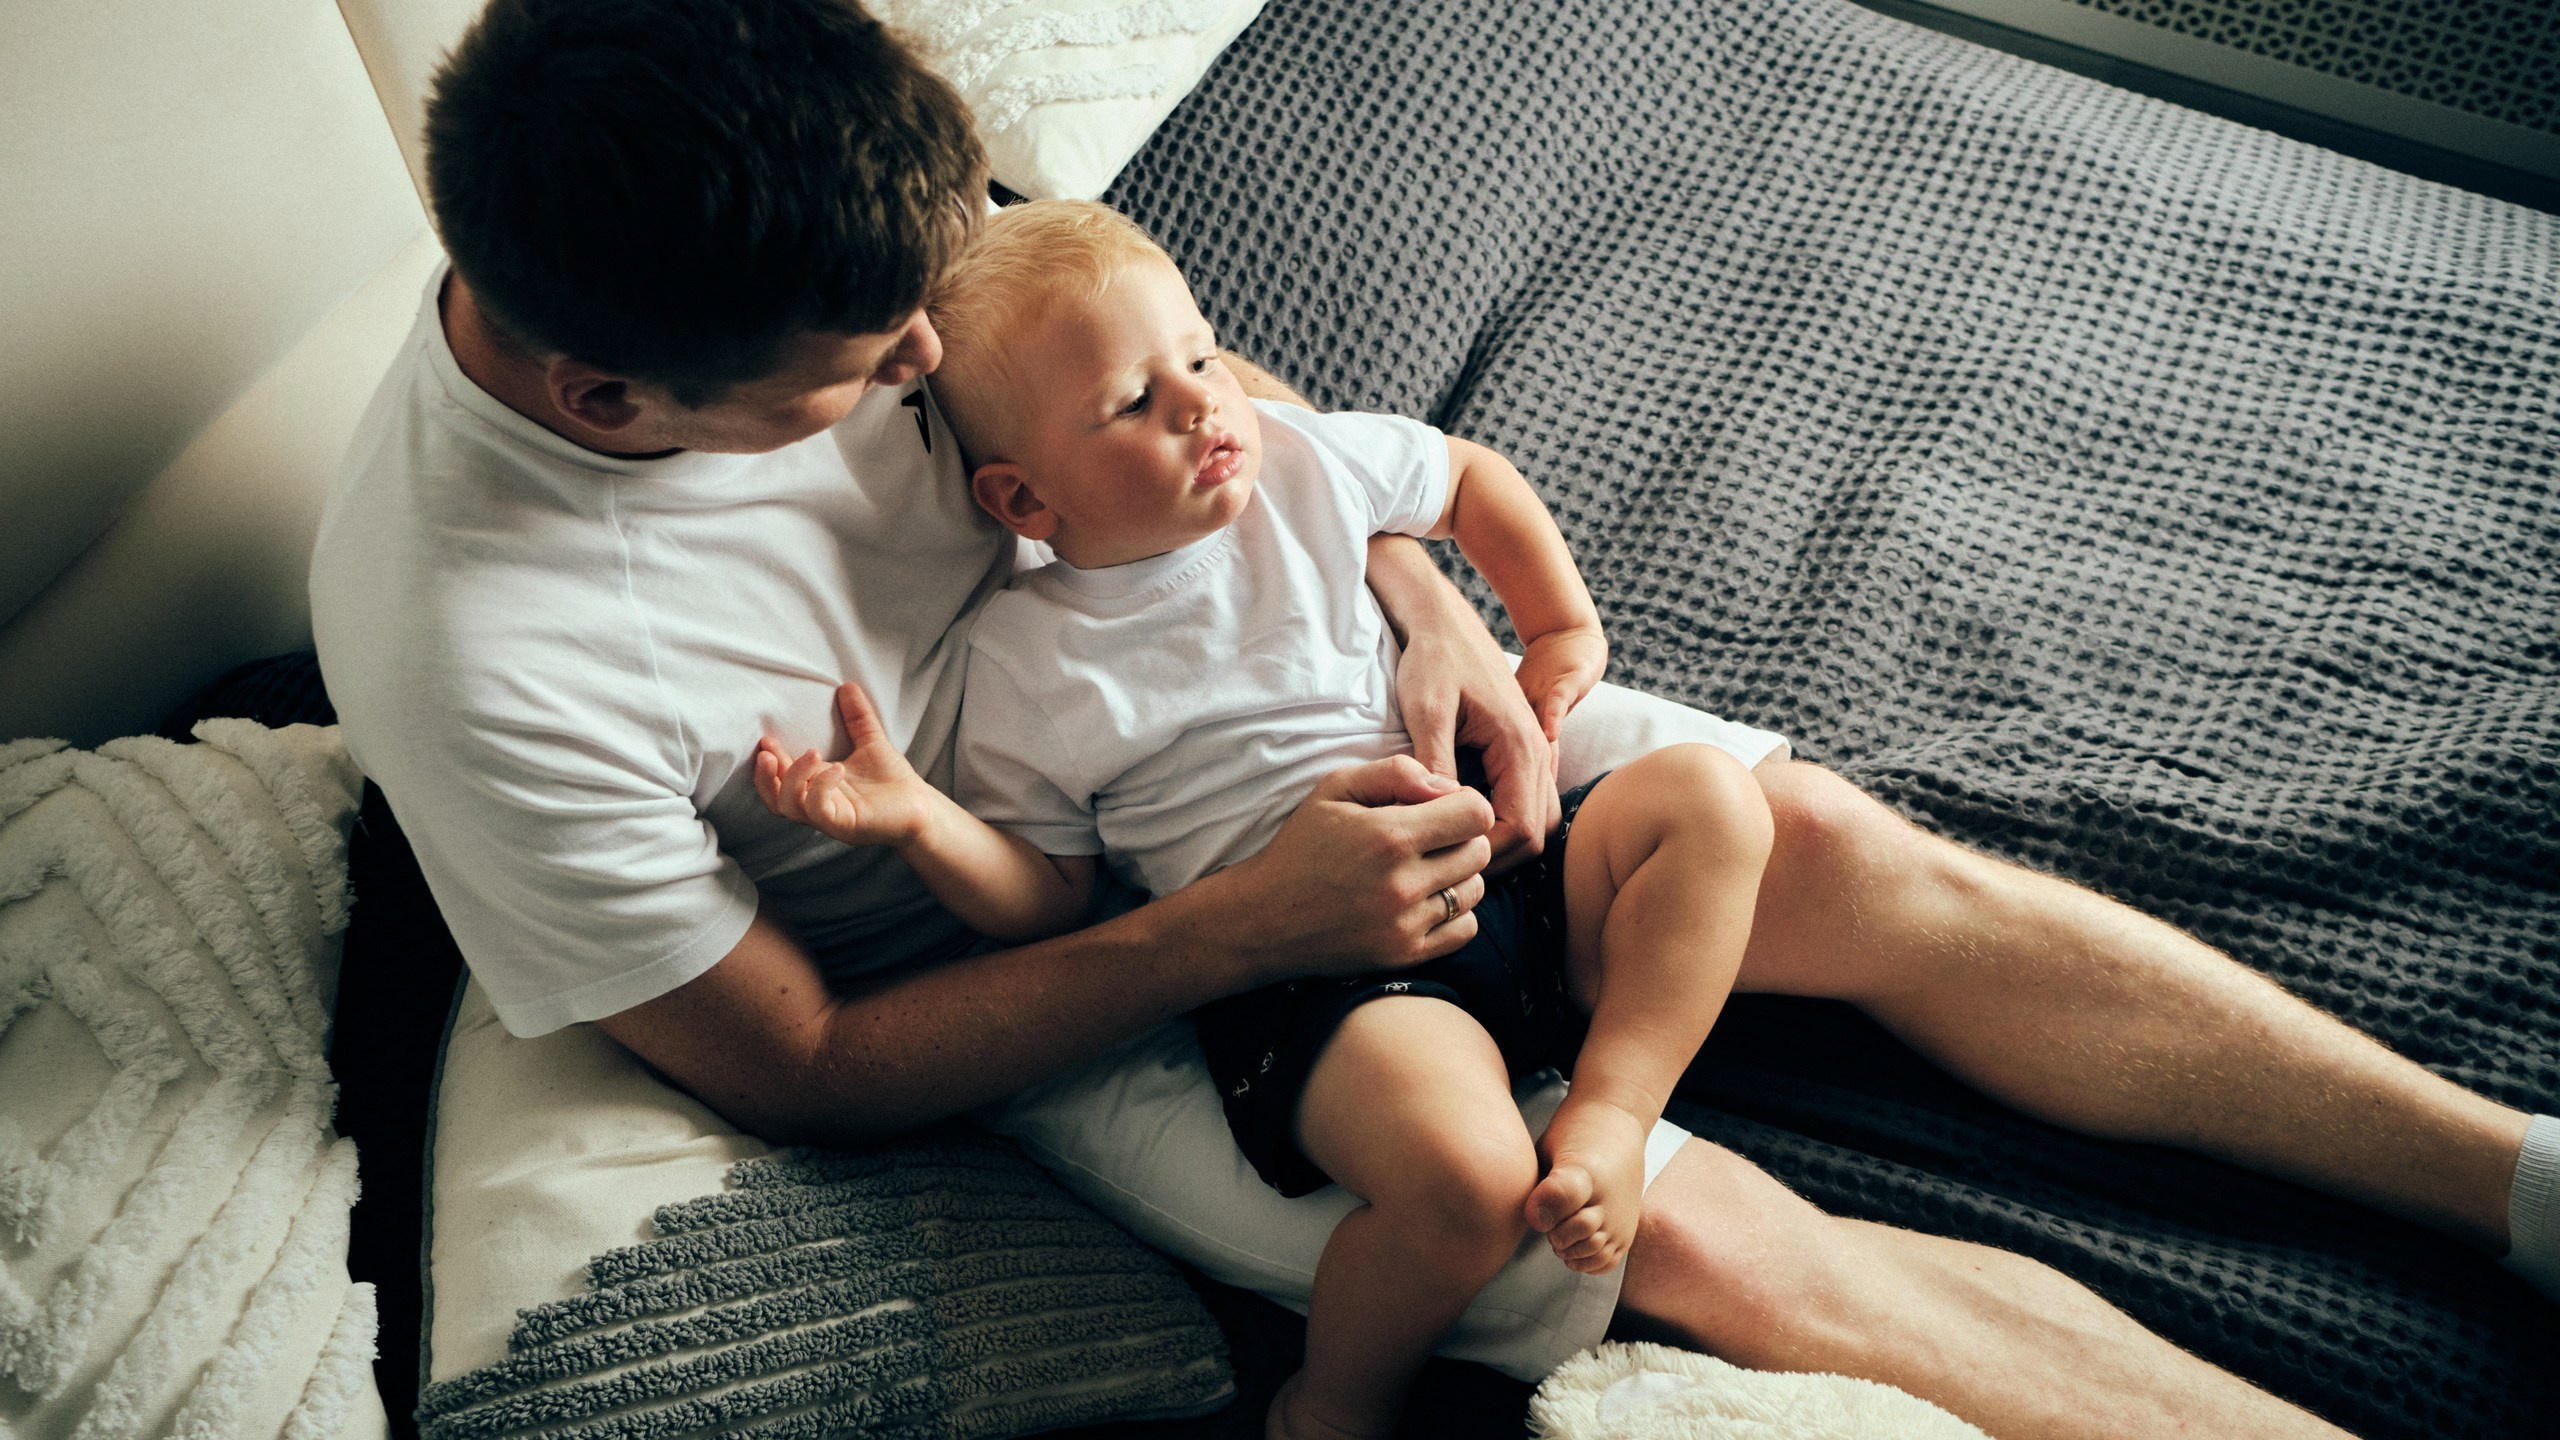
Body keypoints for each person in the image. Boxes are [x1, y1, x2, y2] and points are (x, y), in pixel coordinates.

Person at [306, 2, 2558, 1437]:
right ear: (610, 400)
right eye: (871, 372)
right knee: (1627, 1219)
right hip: (1072, 962)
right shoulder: (491, 659)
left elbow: (1181, 389)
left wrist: (1417, 598)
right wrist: (1233, 932)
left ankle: (2509, 1182)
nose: (922, 358)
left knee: (1828, 849)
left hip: (1281, 671)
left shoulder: (790, 173)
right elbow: (799, 1062)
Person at [751, 198, 1775, 1440]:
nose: (1201, 402)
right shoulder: (1026, 663)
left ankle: (1611, 1108)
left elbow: (1464, 477)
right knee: (1468, 1185)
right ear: (1023, 500)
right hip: (1332, 978)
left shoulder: (1299, 462)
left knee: (1711, 802)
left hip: (1507, 857)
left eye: (1198, 355)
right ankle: (1332, 1402)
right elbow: (1047, 898)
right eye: (1133, 403)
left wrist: (1557, 630)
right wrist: (922, 824)